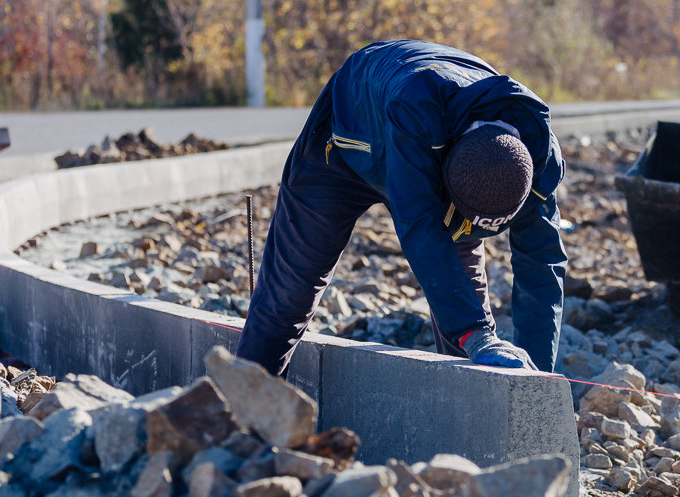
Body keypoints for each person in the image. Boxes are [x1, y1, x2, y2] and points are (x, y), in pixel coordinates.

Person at [235, 39, 567, 376]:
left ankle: (476, 416)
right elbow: (420, 227)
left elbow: (542, 267)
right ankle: (241, 412)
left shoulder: (538, 162)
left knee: (471, 321)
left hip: (433, 144)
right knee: (289, 293)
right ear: (445, 182)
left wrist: (536, 382)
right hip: (347, 144)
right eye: (461, 219)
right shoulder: (417, 110)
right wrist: (474, 331)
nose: (466, 233)